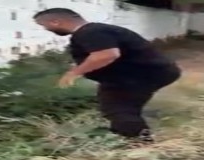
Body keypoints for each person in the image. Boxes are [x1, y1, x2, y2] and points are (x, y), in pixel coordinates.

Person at [33, 8, 181, 142]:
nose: (46, 29)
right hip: (139, 74)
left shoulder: (89, 32)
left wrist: (75, 72)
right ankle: (128, 136)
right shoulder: (95, 30)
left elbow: (107, 55)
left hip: (138, 76)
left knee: (120, 110)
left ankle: (140, 144)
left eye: (44, 25)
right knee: (116, 106)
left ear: (55, 22)